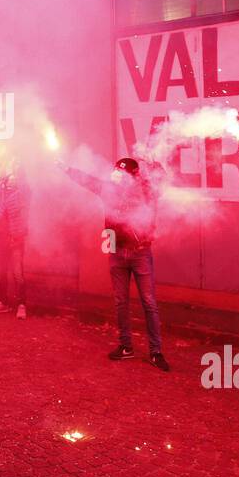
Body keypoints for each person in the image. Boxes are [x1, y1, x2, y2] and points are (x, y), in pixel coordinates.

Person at [64, 156, 169, 371]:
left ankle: (156, 352)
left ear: (132, 177)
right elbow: (87, 180)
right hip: (116, 251)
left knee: (149, 303)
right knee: (121, 302)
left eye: (121, 173)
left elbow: (160, 182)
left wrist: (155, 165)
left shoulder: (145, 192)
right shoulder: (107, 189)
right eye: (115, 171)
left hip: (140, 253)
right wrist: (66, 168)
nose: (115, 175)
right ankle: (126, 346)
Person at [0, 157, 30, 318]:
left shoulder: (22, 194)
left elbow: (24, 219)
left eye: (16, 177)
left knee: (18, 274)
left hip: (15, 240)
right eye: (11, 177)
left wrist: (18, 236)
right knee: (1, 274)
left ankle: (21, 305)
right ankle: (3, 303)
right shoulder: (0, 194)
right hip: (0, 240)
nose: (13, 179)